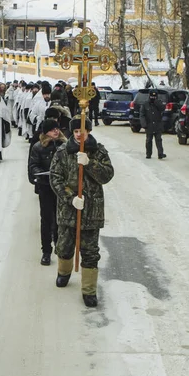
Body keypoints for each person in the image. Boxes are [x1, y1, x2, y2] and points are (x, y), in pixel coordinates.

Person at [49, 116, 114, 307]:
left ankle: (89, 290)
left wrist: (89, 164)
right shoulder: (62, 152)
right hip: (69, 210)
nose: (79, 135)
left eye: (82, 131)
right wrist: (70, 198)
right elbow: (55, 178)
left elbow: (107, 175)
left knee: (90, 251)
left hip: (92, 211)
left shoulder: (98, 151)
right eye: (76, 132)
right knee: (65, 246)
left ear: (89, 131)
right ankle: (64, 272)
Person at [28, 119, 68, 265]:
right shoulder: (38, 147)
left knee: (60, 218)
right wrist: (42, 173)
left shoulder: (64, 146)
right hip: (45, 186)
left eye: (57, 129)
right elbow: (33, 166)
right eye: (52, 130)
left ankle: (60, 245)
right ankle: (46, 251)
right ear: (46, 132)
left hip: (61, 188)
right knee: (46, 219)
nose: (56, 131)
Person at [139, 89, 166, 159]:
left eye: (154, 97)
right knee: (148, 140)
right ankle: (148, 154)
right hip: (149, 125)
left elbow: (163, 108)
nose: (153, 98)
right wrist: (144, 124)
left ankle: (160, 153)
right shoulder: (145, 104)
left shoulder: (159, 103)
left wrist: (156, 102)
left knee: (159, 140)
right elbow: (142, 115)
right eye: (152, 97)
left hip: (158, 125)